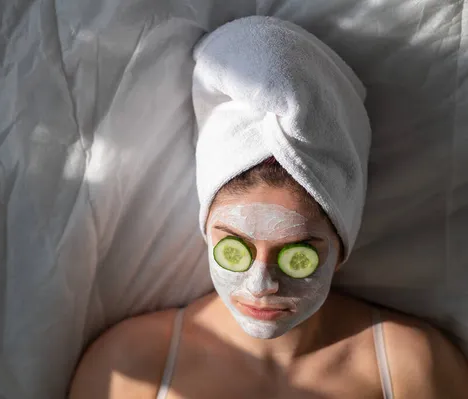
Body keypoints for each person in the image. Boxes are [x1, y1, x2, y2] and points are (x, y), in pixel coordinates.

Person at [69, 16, 468, 399]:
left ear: (342, 243)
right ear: (207, 234)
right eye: (235, 249)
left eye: (298, 254)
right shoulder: (130, 366)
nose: (261, 286)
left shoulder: (411, 367)